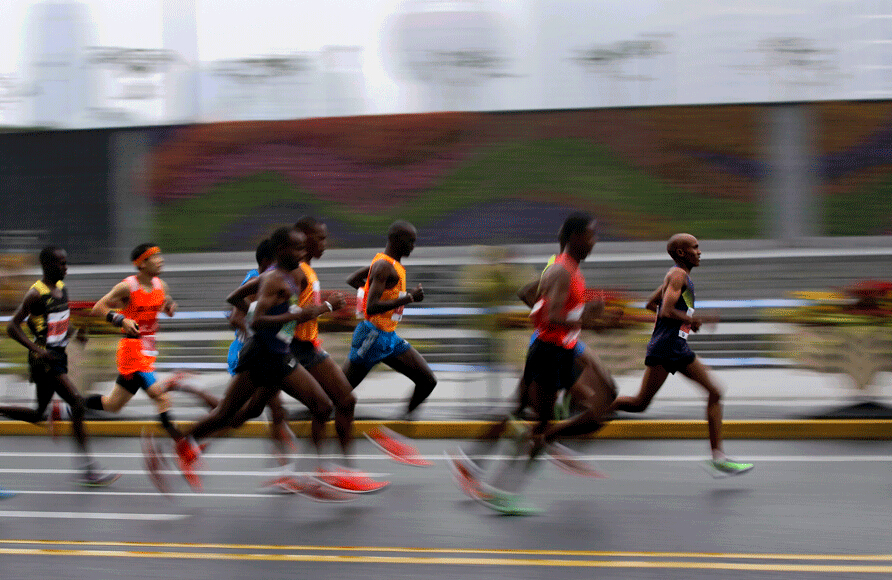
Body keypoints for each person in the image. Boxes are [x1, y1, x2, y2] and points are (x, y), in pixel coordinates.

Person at [173, 227, 353, 501]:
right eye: (297, 248)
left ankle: (186, 442)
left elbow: (235, 298)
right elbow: (256, 321)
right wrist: (312, 311)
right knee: (231, 413)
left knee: (241, 413)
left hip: (275, 352)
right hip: (264, 355)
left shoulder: (295, 275)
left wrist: (307, 311)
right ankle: (185, 443)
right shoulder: (272, 279)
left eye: (304, 247)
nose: (303, 252)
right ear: (280, 250)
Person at [448, 239, 619, 495]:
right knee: (542, 410)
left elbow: (535, 297)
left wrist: (583, 318)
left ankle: (476, 465)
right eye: (589, 237)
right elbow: (536, 298)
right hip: (552, 347)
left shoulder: (568, 270)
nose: (593, 242)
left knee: (592, 399)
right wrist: (572, 319)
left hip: (562, 346)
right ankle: (504, 476)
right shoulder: (561, 269)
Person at [609, 233, 754, 478]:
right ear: (681, 253)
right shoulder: (678, 276)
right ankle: (593, 409)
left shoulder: (676, 276)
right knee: (640, 403)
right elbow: (665, 310)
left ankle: (718, 458)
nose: (699, 252)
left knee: (708, 393)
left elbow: (651, 304)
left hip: (674, 346)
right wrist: (691, 320)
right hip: (668, 348)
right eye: (695, 248)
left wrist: (685, 322)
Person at [1, 246, 119, 486]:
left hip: (58, 357)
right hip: (44, 361)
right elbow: (12, 327)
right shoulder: (36, 294)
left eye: (66, 262)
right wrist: (39, 351)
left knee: (38, 414)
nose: (66, 268)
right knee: (77, 402)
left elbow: (61, 320)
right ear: (47, 265)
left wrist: (75, 334)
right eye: (61, 263)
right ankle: (89, 469)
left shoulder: (62, 288)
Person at [86, 244, 196, 484]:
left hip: (148, 352)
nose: (160, 260)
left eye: (160, 256)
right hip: (132, 351)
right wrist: (120, 319)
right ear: (141, 263)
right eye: (155, 257)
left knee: (113, 405)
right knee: (161, 398)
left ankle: (71, 406)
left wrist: (169, 306)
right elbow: (98, 308)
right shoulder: (127, 287)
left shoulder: (160, 285)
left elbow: (165, 301)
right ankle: (183, 449)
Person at [343, 221, 436, 467]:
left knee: (427, 380)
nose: (413, 246)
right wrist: (408, 298)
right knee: (338, 394)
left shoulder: (387, 265)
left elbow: (353, 279)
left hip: (389, 338)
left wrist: (371, 285)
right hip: (372, 337)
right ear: (395, 240)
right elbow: (372, 306)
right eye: (410, 241)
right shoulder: (384, 266)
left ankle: (395, 436)